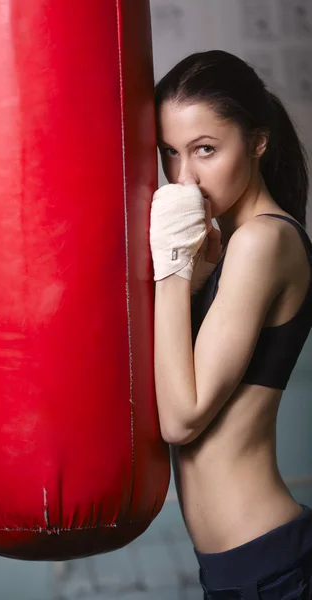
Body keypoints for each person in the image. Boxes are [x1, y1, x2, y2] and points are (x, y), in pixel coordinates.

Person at [150, 50, 312, 598]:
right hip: (236, 565)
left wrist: (172, 268)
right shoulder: (230, 248)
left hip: (267, 564)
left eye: (205, 150)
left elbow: (182, 419)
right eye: (170, 153)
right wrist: (194, 273)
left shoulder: (264, 240)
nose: (184, 178)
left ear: (258, 141)